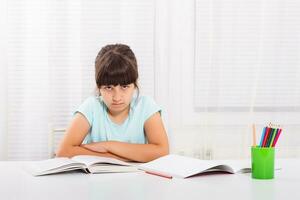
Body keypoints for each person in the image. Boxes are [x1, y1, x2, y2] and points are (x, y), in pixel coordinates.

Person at [56, 44, 169, 162]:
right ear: (99, 87)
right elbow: (63, 152)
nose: (117, 97)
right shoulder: (91, 107)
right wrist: (122, 157)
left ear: (134, 85)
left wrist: (108, 146)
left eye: (124, 86)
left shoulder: (146, 106)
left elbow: (162, 152)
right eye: (109, 88)